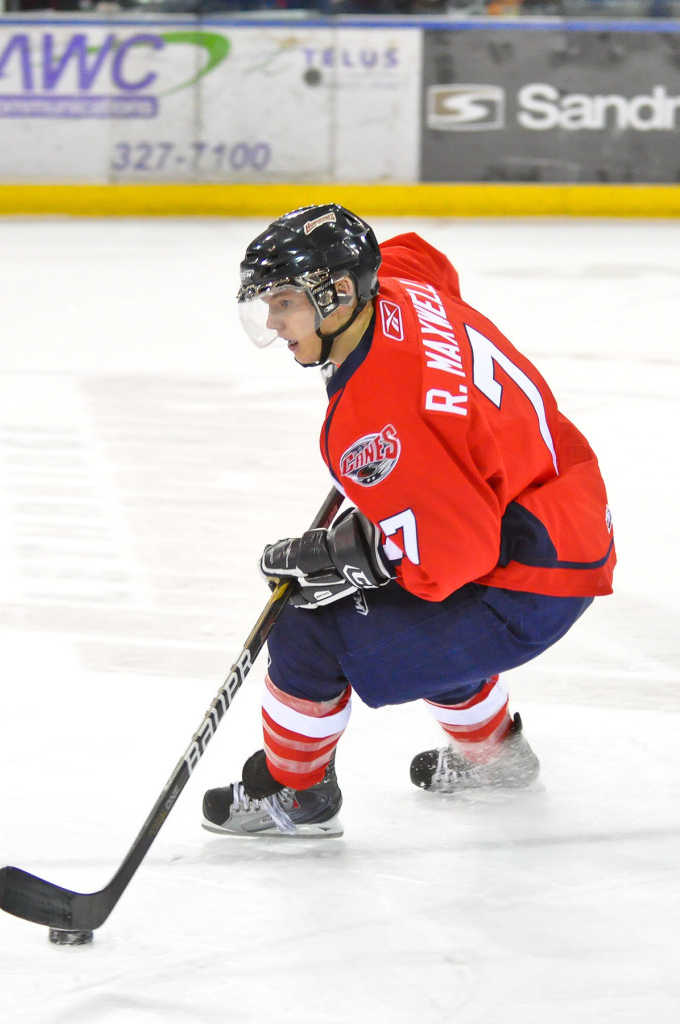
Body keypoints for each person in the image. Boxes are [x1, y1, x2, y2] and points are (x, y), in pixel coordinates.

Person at [202, 204, 615, 838]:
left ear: (340, 294)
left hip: (528, 578)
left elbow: (452, 560)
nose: (274, 322)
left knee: (306, 630)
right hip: (562, 508)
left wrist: (353, 556)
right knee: (412, 630)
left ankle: (297, 792)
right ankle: (495, 756)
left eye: (284, 302)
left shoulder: (373, 428)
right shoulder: (398, 281)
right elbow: (425, 256)